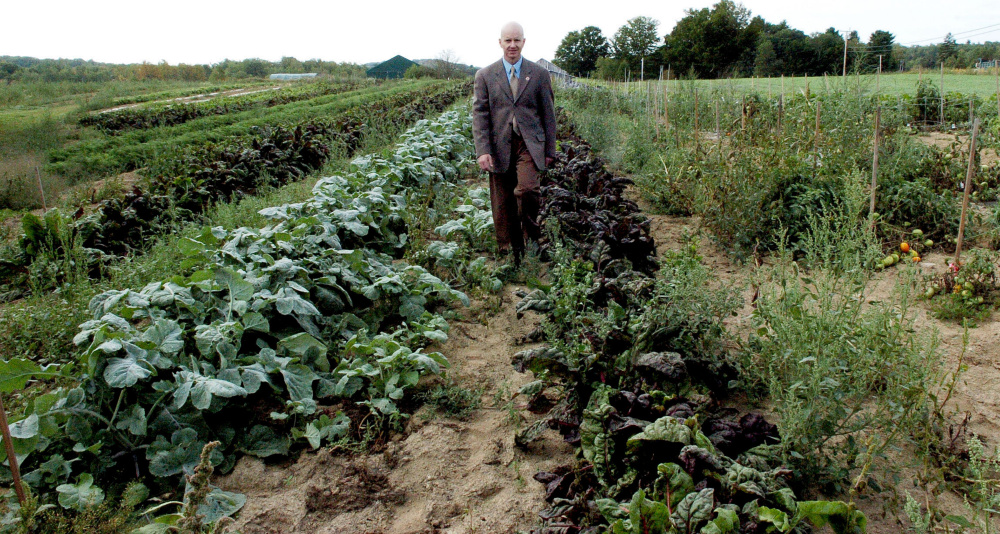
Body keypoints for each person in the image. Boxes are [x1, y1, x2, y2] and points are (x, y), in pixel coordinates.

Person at [472, 21, 557, 265]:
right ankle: (508, 250)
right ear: (500, 43)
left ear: (523, 42)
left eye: (516, 40)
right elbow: (480, 115)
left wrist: (550, 149)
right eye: (507, 40)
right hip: (499, 144)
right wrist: (483, 150)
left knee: (528, 190)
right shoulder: (485, 75)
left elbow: (548, 114)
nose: (512, 45)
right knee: (502, 199)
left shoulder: (539, 74)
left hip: (529, 144)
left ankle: (531, 240)